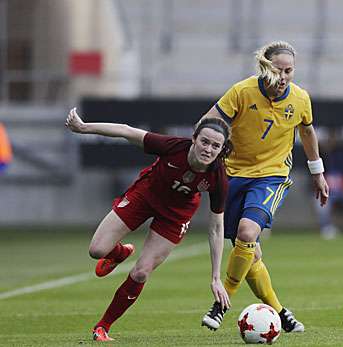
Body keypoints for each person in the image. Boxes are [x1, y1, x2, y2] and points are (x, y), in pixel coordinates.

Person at [64, 107, 232, 341]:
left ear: (222, 149)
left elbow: (216, 227)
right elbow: (126, 131)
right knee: (97, 250)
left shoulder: (218, 178)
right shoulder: (173, 147)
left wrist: (215, 277)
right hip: (145, 196)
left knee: (141, 272)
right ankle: (119, 253)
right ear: (194, 139)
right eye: (205, 141)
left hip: (175, 216)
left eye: (216, 146)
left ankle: (103, 326)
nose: (208, 149)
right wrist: (83, 127)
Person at [199, 40, 329, 333]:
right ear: (265, 67)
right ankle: (281, 313)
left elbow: (307, 132)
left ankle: (220, 306)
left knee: (248, 233)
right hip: (232, 176)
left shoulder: (300, 99)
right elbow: (208, 122)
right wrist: (204, 160)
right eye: (278, 70)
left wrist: (317, 173)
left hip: (271, 176)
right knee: (251, 253)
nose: (283, 77)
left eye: (289, 71)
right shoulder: (242, 92)